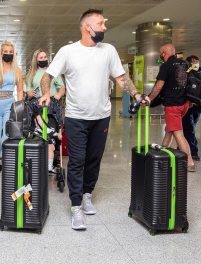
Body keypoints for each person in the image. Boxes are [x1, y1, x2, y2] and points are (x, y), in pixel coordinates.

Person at [39, 9, 149, 230]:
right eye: (100, 23)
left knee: (94, 160)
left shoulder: (108, 51)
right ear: (87, 27)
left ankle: (87, 194)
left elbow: (121, 77)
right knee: (77, 160)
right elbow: (47, 75)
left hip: (101, 116)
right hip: (76, 116)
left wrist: (137, 94)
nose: (105, 27)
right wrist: (45, 92)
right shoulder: (68, 51)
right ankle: (76, 206)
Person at [148, 44, 195, 172]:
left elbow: (159, 86)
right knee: (169, 129)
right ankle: (164, 153)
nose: (160, 56)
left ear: (163, 54)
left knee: (178, 133)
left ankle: (189, 162)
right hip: (184, 104)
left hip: (173, 105)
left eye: (160, 53)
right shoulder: (185, 63)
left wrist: (149, 99)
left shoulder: (166, 66)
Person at [25, 49, 65, 173]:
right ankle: (42, 130)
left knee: (50, 131)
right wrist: (30, 93)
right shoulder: (31, 74)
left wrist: (58, 94)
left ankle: (48, 132)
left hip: (52, 103)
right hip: (37, 104)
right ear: (36, 60)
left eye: (44, 57)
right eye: (40, 58)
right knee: (36, 112)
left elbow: (62, 88)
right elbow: (28, 92)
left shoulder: (53, 73)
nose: (43, 60)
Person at [0, 40, 24, 172]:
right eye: (6, 52)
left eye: (11, 52)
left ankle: (6, 158)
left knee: (6, 137)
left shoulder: (17, 70)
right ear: (1, 53)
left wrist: (19, 107)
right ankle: (0, 156)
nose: (8, 54)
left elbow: (20, 90)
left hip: (10, 103)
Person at [181, 55, 201, 161]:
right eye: (194, 61)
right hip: (188, 106)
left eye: (197, 61)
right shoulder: (184, 75)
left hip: (198, 106)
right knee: (190, 130)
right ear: (189, 63)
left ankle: (182, 148)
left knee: (190, 129)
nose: (196, 63)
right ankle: (193, 152)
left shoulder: (200, 75)